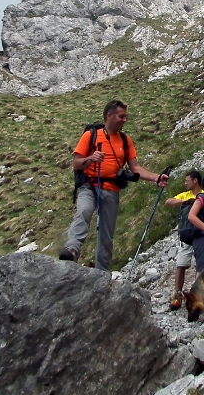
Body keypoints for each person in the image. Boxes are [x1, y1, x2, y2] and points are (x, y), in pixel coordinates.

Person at [59, 99, 169, 271]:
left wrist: (156, 178)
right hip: (89, 185)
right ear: (109, 115)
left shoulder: (125, 140)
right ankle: (72, 250)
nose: (125, 120)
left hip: (111, 189)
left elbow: (135, 168)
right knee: (84, 211)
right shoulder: (91, 135)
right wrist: (91, 158)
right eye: (121, 116)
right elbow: (76, 163)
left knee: (106, 234)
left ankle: (102, 272)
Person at [165, 169, 203, 310]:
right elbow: (168, 202)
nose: (185, 183)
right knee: (181, 264)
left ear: (195, 181)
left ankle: (195, 296)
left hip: (200, 234)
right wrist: (184, 200)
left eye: (187, 180)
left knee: (200, 266)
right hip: (186, 234)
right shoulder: (186, 195)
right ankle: (178, 295)